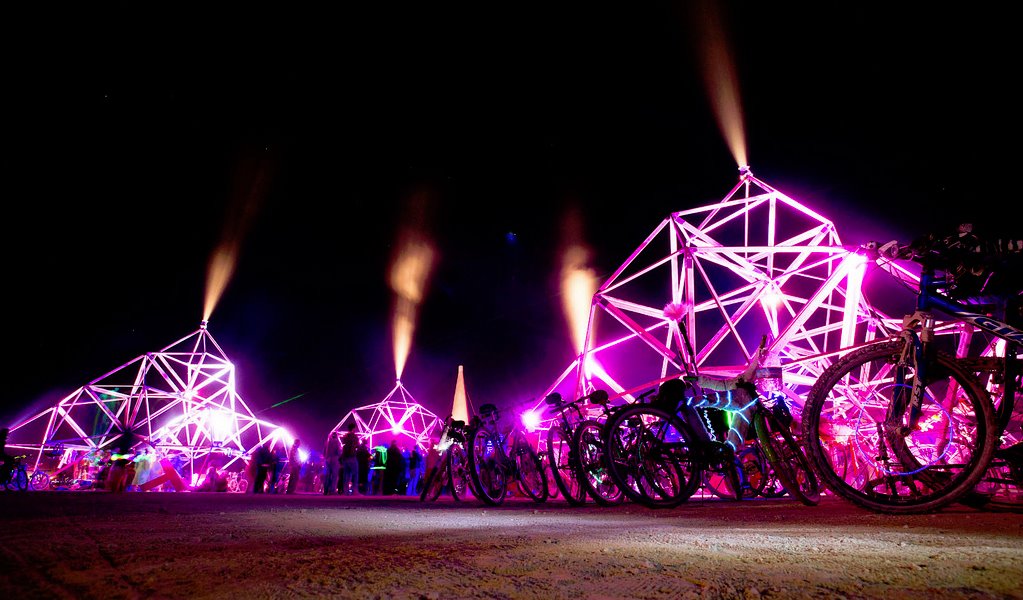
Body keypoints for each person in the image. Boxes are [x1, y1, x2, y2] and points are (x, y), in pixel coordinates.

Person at [340, 423, 360, 495]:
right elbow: (357, 445)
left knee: (346, 475)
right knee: (355, 474)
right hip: (352, 456)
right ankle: (355, 491)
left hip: (345, 457)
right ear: (353, 428)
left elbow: (343, 444)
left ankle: (346, 491)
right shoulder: (354, 436)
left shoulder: (345, 436)